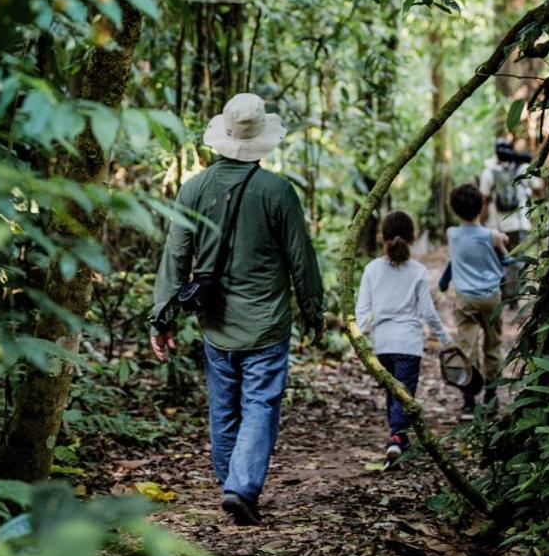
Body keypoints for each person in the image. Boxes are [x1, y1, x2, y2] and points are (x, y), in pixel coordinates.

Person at [149, 93, 324, 527]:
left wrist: (162, 316)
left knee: (223, 407)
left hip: (216, 323)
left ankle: (233, 482)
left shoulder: (194, 189)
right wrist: (313, 311)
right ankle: (241, 488)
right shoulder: (278, 193)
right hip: (266, 324)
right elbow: (301, 258)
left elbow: (175, 257)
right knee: (260, 404)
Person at [356, 211, 455, 463]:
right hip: (409, 345)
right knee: (404, 394)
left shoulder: (371, 269)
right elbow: (428, 313)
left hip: (382, 345)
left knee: (394, 392)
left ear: (382, 238)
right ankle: (397, 437)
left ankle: (401, 437)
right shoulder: (418, 271)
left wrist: (359, 339)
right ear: (413, 238)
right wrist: (445, 339)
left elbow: (362, 311)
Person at [442, 184, 507, 418]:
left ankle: (469, 401)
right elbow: (502, 245)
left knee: (467, 346)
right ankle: (491, 396)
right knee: (493, 345)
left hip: (465, 299)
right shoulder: (492, 236)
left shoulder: (452, 234)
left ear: (455, 210)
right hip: (491, 297)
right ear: (482, 207)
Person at [479, 138, 540, 304]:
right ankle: (514, 298)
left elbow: (484, 200)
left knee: (498, 259)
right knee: (517, 260)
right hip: (520, 224)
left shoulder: (489, 172)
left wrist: (480, 222)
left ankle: (503, 295)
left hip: (497, 226)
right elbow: (539, 189)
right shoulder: (522, 169)